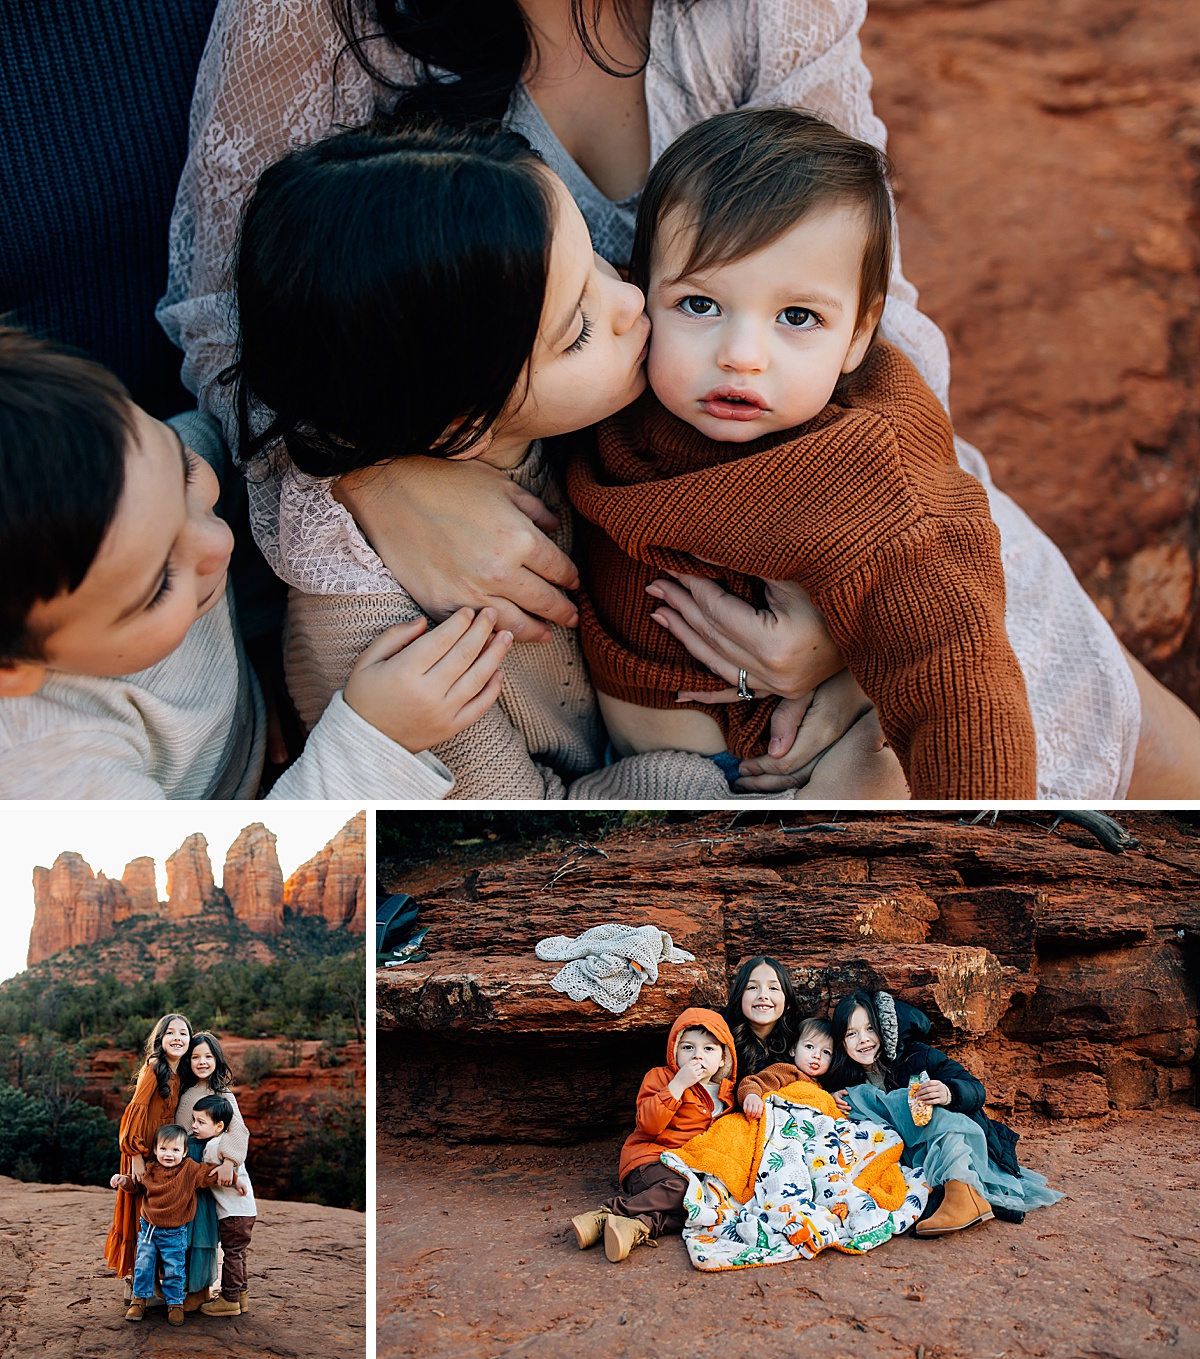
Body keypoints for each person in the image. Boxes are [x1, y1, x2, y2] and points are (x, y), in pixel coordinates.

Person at [158, 0, 1200, 800]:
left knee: (1118, 740)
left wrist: (845, 618)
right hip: (598, 592)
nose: (632, 313)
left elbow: (867, 295)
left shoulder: (757, 10)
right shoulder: (314, 20)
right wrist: (379, 477)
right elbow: (237, 322)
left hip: (826, 490)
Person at [230, 124, 891, 799]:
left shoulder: (549, 403)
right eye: (576, 330)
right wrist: (721, 787)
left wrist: (849, 643)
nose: (633, 301)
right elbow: (526, 818)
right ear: (462, 428)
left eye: (599, 263)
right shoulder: (388, 643)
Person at [568, 107, 1036, 798]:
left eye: (797, 318)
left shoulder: (863, 462)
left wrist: (985, 840)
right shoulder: (612, 387)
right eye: (699, 304)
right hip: (635, 770)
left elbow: (957, 669)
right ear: (640, 293)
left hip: (817, 757)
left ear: (857, 334)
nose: (741, 356)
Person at [0, 326, 507, 799]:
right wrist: (376, 741)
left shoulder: (129, 471)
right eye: (158, 585)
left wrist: (259, 634)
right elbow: (224, 890)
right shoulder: (48, 772)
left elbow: (242, 454)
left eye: (184, 474)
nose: (215, 541)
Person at [827, 989, 1062, 1235]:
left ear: (884, 1028)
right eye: (852, 1033)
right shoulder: (846, 1074)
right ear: (842, 1042)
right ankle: (970, 1201)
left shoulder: (918, 1055)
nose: (863, 1039)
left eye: (870, 1029)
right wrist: (833, 1098)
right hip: (908, 1153)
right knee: (859, 1103)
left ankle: (962, 1193)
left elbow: (975, 1089)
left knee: (915, 1103)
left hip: (958, 1139)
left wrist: (949, 1092)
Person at [568, 1008, 736, 1262]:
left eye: (708, 1049)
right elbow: (647, 1126)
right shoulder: (661, 1077)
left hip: (691, 1169)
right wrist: (678, 1085)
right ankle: (608, 1213)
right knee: (682, 1190)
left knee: (705, 1208)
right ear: (674, 1051)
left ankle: (636, 1227)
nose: (697, 1056)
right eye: (688, 1048)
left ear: (724, 1059)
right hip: (650, 1161)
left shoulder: (728, 1096)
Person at [104, 1013, 191, 1292]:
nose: (177, 1038)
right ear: (160, 1038)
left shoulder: (179, 1072)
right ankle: (138, 1282)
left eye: (183, 1033)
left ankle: (154, 1280)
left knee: (157, 1210)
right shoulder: (154, 1066)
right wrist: (136, 1157)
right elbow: (134, 1111)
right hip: (142, 1150)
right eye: (170, 1033)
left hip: (165, 1150)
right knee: (139, 1208)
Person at [109, 1123, 227, 1325]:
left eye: (175, 1150)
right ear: (155, 1150)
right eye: (163, 1149)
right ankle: (139, 1300)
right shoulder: (151, 1169)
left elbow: (210, 1173)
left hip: (175, 1232)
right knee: (144, 1265)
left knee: (175, 1268)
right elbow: (136, 1185)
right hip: (149, 1229)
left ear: (184, 1151)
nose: (168, 1154)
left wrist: (231, 1174)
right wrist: (122, 1180)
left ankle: (175, 1303)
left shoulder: (190, 1169)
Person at [176, 1031, 249, 1308]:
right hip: (185, 1165)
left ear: (217, 1059)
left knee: (203, 1228)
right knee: (184, 1225)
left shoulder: (224, 1094)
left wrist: (230, 1162)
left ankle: (199, 1289)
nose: (202, 1061)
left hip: (210, 1167)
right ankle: (181, 1286)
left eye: (208, 1056)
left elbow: (238, 1129)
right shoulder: (184, 1092)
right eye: (195, 1056)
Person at [190, 1094, 258, 1318]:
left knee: (232, 1255)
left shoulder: (213, 1146)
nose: (194, 1126)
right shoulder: (227, 1144)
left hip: (233, 1213)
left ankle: (229, 1299)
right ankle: (241, 1295)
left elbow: (208, 1174)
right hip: (244, 1211)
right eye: (193, 1120)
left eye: (201, 1122)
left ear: (219, 1126)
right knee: (238, 1254)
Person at [737, 1015, 836, 1119]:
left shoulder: (822, 1087)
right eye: (809, 1046)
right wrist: (752, 1096)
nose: (817, 1055)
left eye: (826, 1052)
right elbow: (754, 1082)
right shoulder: (787, 1071)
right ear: (793, 1050)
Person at [723, 956, 804, 1080]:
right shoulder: (721, 1033)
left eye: (773, 988)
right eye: (752, 987)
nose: (763, 996)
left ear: (787, 1001)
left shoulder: (801, 1036)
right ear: (740, 997)